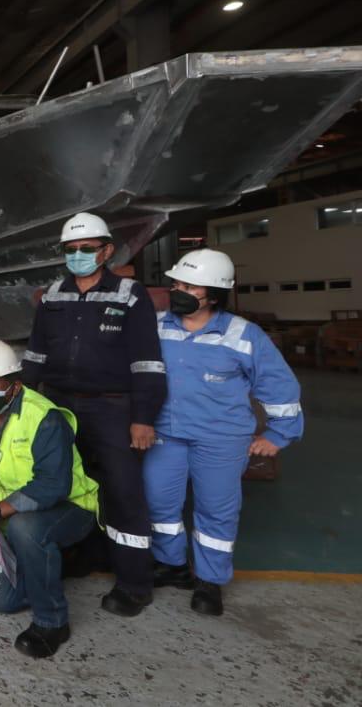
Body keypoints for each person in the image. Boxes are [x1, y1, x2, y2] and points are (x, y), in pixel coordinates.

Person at [21, 211, 166, 617]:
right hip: (60, 405)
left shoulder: (129, 295)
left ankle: (135, 583)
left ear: (105, 251)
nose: (79, 255)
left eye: (87, 249)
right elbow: (34, 356)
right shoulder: (52, 296)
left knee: (123, 492)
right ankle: (84, 557)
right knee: (68, 485)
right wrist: (22, 405)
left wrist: (143, 417)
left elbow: (147, 362)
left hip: (113, 408)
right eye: (71, 250)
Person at [145, 249, 304, 616]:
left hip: (221, 439)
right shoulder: (155, 326)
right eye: (176, 283)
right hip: (165, 433)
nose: (177, 290)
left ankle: (209, 580)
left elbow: (278, 386)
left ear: (213, 294)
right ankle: (172, 566)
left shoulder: (243, 335)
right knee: (159, 503)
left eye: (189, 285)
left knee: (216, 511)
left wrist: (279, 435)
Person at [0, 340, 100, 658]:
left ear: (14, 385)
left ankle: (52, 621)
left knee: (27, 529)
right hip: (8, 508)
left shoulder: (44, 417)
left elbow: (54, 485)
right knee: (5, 601)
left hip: (70, 506)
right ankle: (47, 563)